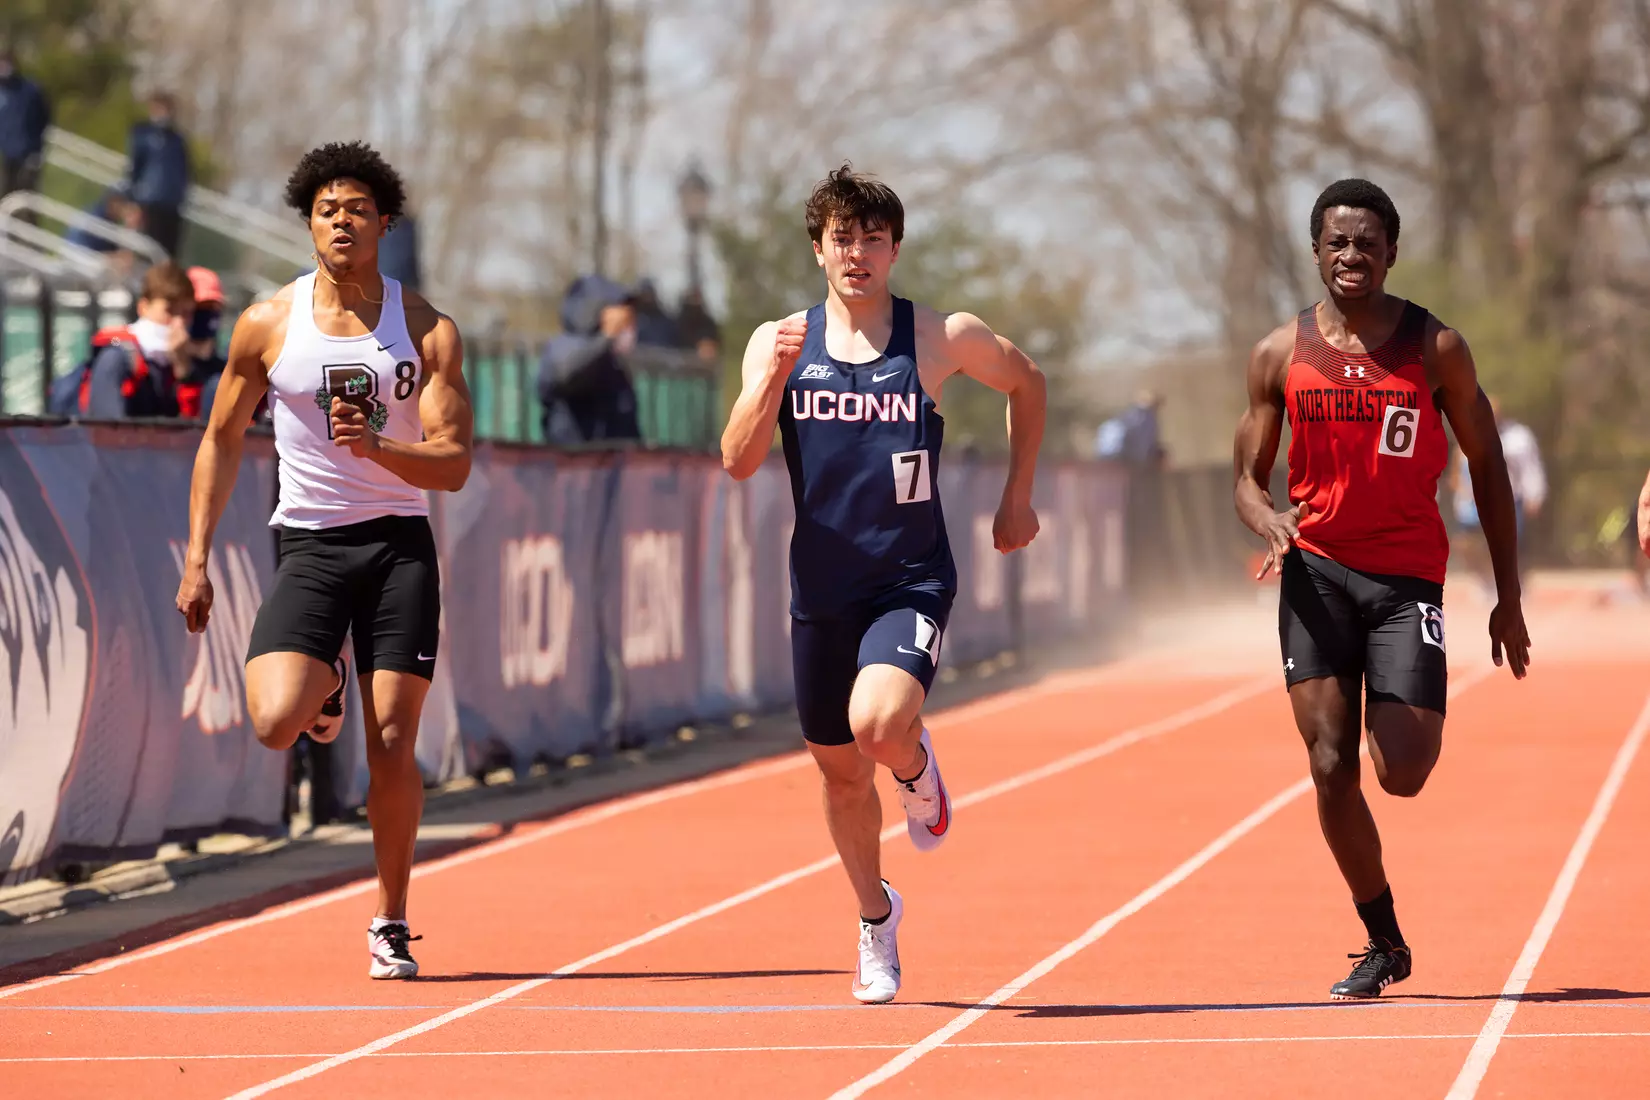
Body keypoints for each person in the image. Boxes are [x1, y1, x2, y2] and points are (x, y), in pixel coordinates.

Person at [720, 164, 1045, 1004]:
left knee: (878, 724)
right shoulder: (779, 340)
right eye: (841, 238)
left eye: (872, 238)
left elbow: (1029, 383)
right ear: (818, 249)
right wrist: (770, 383)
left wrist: (1017, 495)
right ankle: (876, 919)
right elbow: (737, 459)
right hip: (821, 587)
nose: (856, 253)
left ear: (894, 248)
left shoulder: (938, 336)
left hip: (910, 576)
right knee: (837, 774)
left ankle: (916, 766)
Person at [175, 141, 472, 981]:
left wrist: (380, 449)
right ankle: (326, 682)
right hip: (309, 542)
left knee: (390, 742)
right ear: (309, 224)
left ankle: (390, 918)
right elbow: (223, 435)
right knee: (274, 722)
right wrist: (197, 557)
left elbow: (453, 463)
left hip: (398, 547)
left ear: (384, 222)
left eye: (359, 210)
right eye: (327, 210)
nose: (343, 222)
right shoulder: (269, 321)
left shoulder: (426, 328)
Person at [1233, 178, 1530, 1000]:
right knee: (1330, 762)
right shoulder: (1276, 355)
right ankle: (1382, 938)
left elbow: (1490, 468)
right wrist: (1266, 519)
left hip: (1405, 582)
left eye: (1366, 243)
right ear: (1316, 251)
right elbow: (1246, 480)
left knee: (1401, 771)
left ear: (1392, 251)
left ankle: (1391, 698)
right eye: (1337, 243)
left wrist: (1508, 596)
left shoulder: (1436, 349)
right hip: (1316, 572)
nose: (1351, 256)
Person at [1451, 395, 1545, 596]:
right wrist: (1462, 495)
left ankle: (1513, 585)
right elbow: (1457, 473)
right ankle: (1486, 581)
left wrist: (1534, 495)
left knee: (1509, 546)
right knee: (1465, 543)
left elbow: (1531, 468)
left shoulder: (1518, 438)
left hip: (1508, 499)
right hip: (1475, 502)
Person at [124, 92, 191, 257]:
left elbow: (184, 172)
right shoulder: (143, 134)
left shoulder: (177, 140)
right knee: (144, 251)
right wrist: (133, 201)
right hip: (149, 201)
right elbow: (134, 168)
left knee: (167, 254)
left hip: (172, 206)